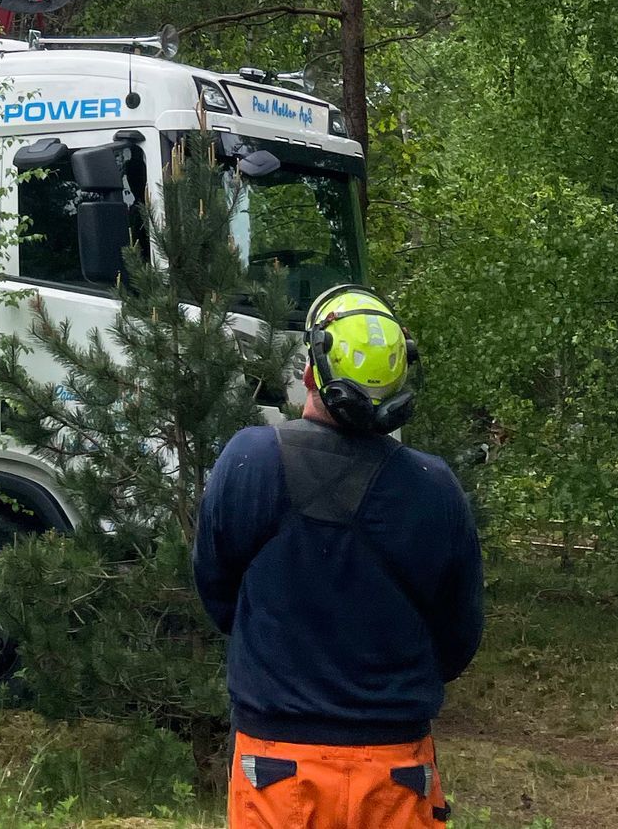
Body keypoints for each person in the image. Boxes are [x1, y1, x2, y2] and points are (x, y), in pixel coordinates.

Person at [193, 286, 484, 828]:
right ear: (399, 386)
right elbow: (458, 638)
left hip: (277, 767)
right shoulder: (435, 488)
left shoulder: (251, 460)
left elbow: (218, 592)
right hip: (396, 771)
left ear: (310, 371)